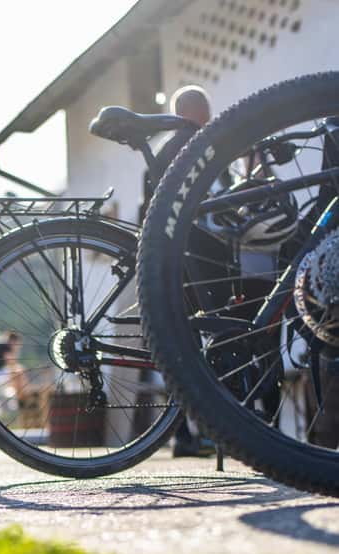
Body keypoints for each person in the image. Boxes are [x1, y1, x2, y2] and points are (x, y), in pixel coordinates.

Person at [139, 85, 217, 458]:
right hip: (193, 258)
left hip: (163, 259)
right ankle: (200, 432)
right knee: (199, 341)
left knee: (176, 342)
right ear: (200, 113)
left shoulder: (167, 149)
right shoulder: (197, 148)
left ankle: (185, 433)